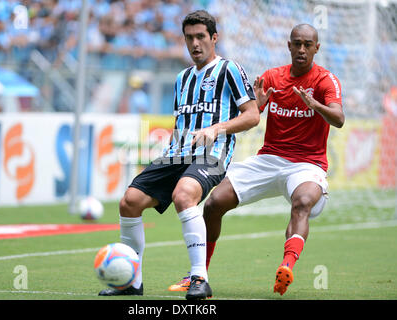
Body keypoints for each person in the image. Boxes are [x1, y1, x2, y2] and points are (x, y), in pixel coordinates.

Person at [169, 23, 345, 296]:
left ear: (316, 48)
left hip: (306, 165)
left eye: (307, 45)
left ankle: (286, 266)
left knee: (302, 203)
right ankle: (198, 275)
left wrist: (316, 105)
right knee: (214, 204)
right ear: (288, 46)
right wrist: (259, 103)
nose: (301, 49)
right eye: (296, 43)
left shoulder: (325, 81)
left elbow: (339, 119)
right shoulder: (272, 78)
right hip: (268, 159)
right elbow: (249, 116)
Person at [98, 10, 260, 300]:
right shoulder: (181, 78)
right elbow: (181, 123)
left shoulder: (229, 69)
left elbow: (252, 116)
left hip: (212, 153)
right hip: (177, 153)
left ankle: (199, 278)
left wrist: (217, 129)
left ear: (214, 38)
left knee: (184, 195)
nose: (195, 43)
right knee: (129, 202)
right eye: (189, 38)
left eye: (201, 37)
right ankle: (131, 282)